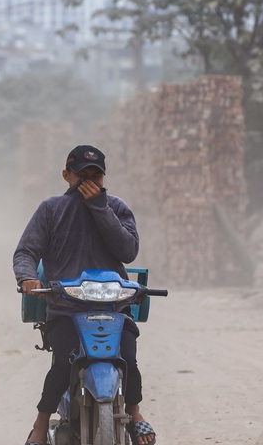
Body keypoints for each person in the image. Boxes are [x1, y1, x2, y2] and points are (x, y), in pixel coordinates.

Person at [13, 145, 157, 445]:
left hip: (115, 307)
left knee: (128, 360)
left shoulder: (116, 208)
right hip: (66, 308)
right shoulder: (51, 209)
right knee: (62, 367)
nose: (89, 181)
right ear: (67, 175)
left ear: (104, 178)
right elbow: (26, 251)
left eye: (96, 175)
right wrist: (27, 277)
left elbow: (128, 251)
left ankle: (135, 414)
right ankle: (39, 427)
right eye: (82, 175)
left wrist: (100, 209)